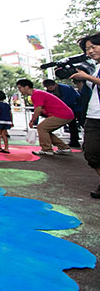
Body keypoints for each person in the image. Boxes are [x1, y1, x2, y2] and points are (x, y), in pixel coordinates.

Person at [69, 32, 100, 199]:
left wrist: (87, 77)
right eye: (88, 49)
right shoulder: (95, 68)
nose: (90, 51)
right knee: (91, 153)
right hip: (94, 116)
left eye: (93, 47)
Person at [16, 79, 73, 156]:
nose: (19, 90)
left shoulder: (36, 94)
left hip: (61, 114)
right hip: (64, 114)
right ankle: (64, 148)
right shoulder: (37, 93)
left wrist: (32, 121)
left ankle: (47, 149)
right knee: (45, 130)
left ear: (26, 87)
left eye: (20, 88)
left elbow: (38, 109)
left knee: (41, 128)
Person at [43, 79, 82, 149]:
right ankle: (74, 141)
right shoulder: (50, 91)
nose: (50, 89)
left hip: (76, 107)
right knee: (72, 125)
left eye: (51, 87)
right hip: (67, 109)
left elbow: (70, 100)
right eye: (48, 88)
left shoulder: (65, 88)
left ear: (55, 84)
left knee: (83, 123)